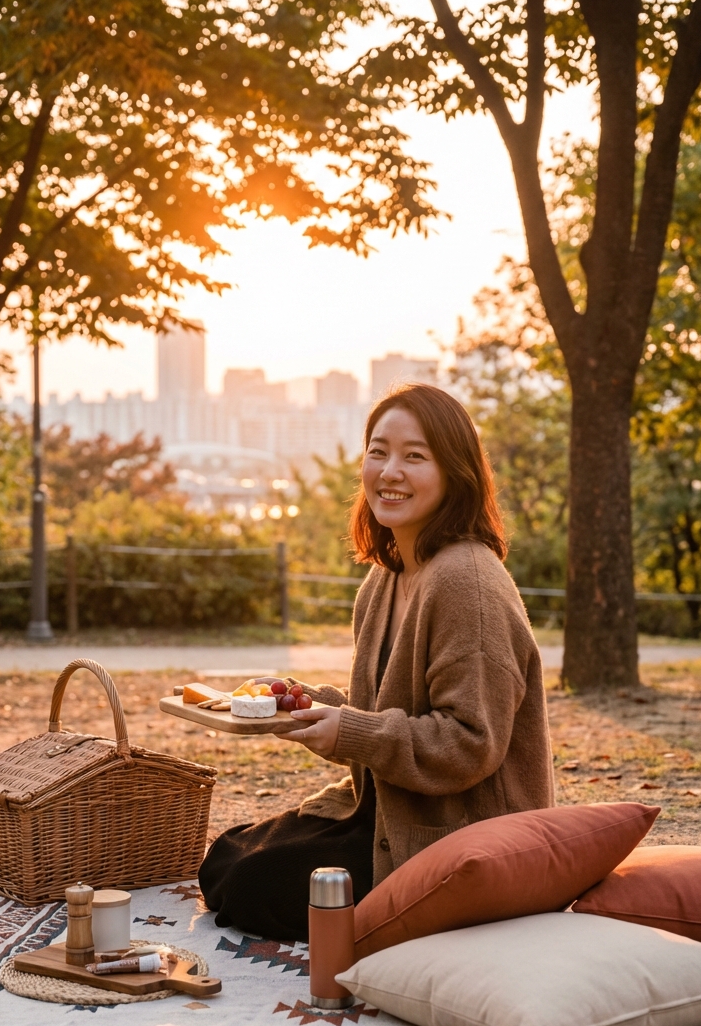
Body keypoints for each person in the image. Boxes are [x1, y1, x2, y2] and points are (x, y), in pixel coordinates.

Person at [199, 383, 554, 941]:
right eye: (378, 451)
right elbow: (376, 713)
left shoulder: (469, 582)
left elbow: (470, 743)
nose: (390, 471)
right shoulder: (387, 577)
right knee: (223, 857)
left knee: (250, 884)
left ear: (455, 472)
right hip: (385, 812)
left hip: (460, 837)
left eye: (415, 456)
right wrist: (310, 705)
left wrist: (353, 735)